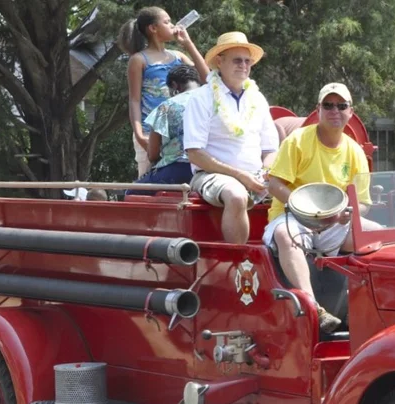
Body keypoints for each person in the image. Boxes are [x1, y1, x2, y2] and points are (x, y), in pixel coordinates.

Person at [264, 83, 382, 333]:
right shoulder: (298, 140)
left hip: (333, 224)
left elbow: (363, 203)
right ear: (318, 109)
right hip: (291, 217)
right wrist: (301, 208)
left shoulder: (355, 152)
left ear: (351, 111)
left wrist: (348, 214)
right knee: (286, 236)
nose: (334, 111)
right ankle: (312, 307)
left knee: (377, 235)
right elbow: (274, 184)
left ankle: (374, 306)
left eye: (341, 106)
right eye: (328, 105)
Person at [182, 31, 279, 244]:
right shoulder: (201, 97)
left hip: (257, 176)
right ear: (220, 61)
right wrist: (241, 175)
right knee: (236, 195)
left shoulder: (258, 98)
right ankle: (239, 266)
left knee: (300, 194)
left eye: (247, 61)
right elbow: (195, 154)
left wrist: (265, 173)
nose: (243, 66)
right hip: (211, 175)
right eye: (237, 60)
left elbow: (271, 149)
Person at [119, 6, 210, 178]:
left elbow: (208, 79)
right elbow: (134, 100)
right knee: (148, 179)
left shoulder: (178, 56)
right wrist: (139, 134)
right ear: (153, 28)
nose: (173, 25)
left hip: (178, 133)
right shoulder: (139, 59)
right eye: (167, 22)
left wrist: (188, 44)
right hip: (149, 131)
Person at [127, 65, 202, 195]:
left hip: (177, 170)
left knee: (132, 193)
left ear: (174, 85)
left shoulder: (166, 106)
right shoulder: (215, 102)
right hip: (210, 169)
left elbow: (153, 154)